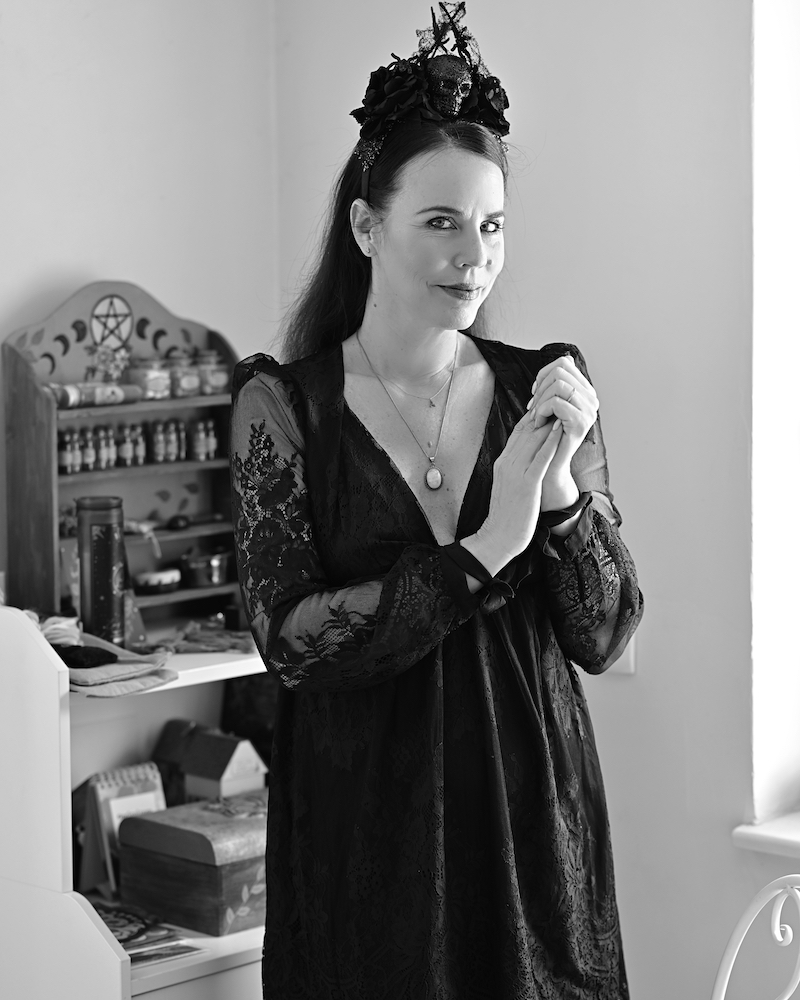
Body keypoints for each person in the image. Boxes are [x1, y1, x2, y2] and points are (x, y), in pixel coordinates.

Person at [229, 4, 643, 998]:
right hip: (366, 845)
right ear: (365, 226)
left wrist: (553, 497)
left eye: (491, 224)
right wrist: (483, 549)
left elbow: (606, 635)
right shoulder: (282, 408)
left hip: (533, 837)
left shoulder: (544, 387)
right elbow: (291, 642)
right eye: (441, 222)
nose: (475, 255)